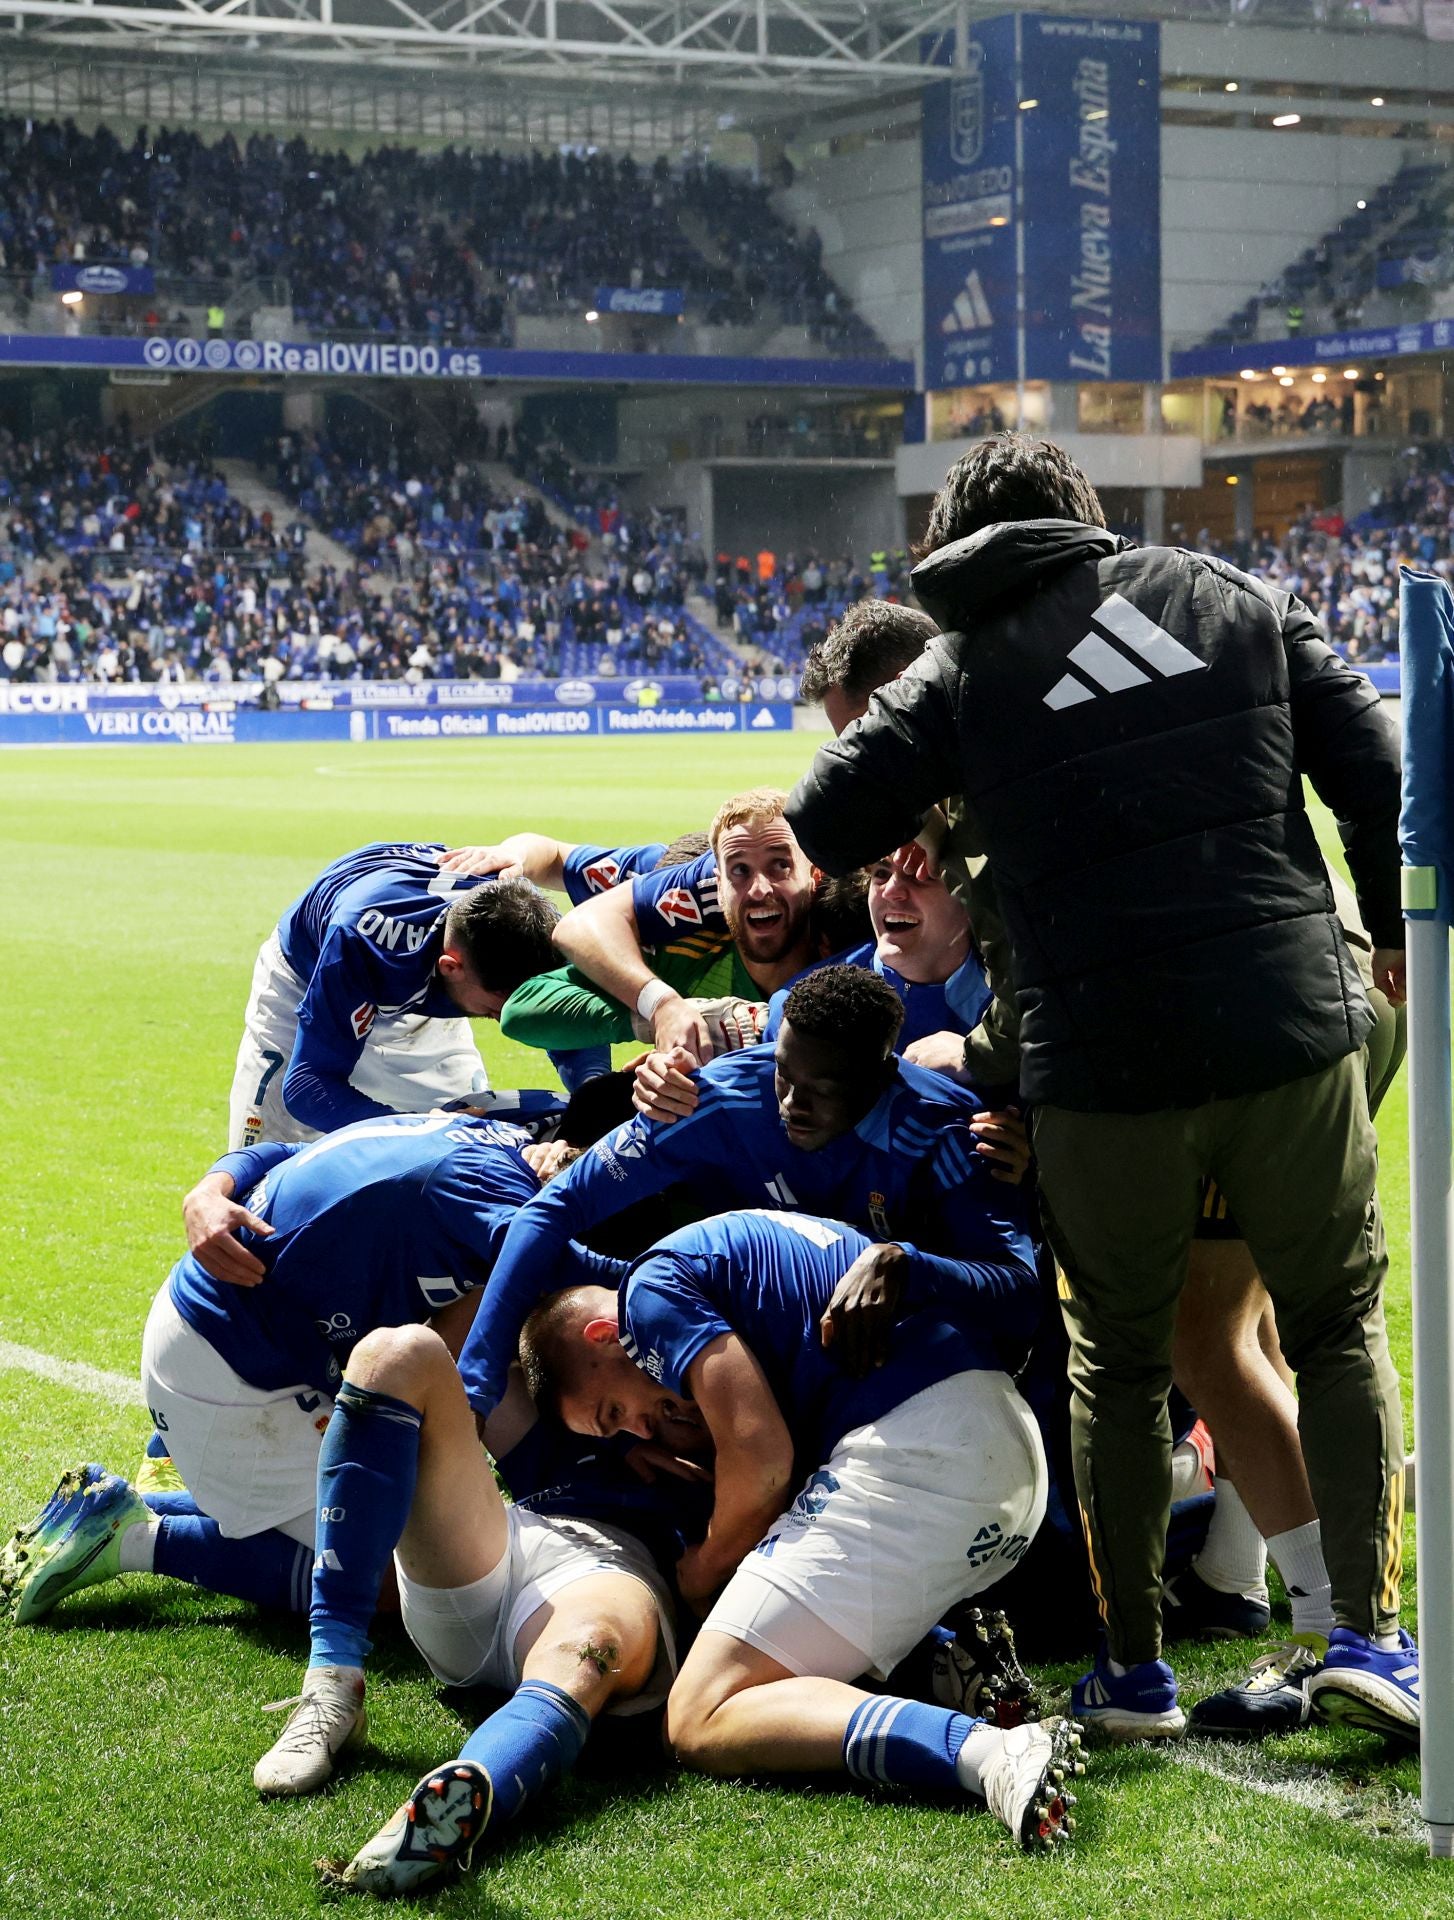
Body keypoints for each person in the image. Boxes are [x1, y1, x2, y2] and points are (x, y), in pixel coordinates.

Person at [783, 432, 1416, 1744]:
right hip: (1283, 1030)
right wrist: (1384, 920)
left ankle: (1134, 1673)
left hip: (1098, 1068)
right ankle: (1369, 1631)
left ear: (956, 551)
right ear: (1085, 516)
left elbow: (826, 816)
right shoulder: (1229, 596)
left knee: (1119, 1367)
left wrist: (956, 779)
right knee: (1332, 1327)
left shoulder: (960, 672)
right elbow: (1377, 761)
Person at [520, 1208, 1082, 1853]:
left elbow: (762, 1464)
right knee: (776, 1656)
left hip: (920, 1460)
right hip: (985, 1452)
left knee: (699, 1713)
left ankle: (985, 1753)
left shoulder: (651, 1293)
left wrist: (701, 1571)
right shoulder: (714, 1258)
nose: (638, 1428)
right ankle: (942, 1662)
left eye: (613, 1411)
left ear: (603, 1335)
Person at [0, 1111, 619, 1641]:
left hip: (247, 1340)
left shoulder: (499, 1142)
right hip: (230, 1376)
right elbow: (482, 1364)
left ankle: (118, 1503)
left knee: (449, 1414)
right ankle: (137, 1537)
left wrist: (213, 1185)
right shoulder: (505, 1218)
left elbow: (288, 1150)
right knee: (388, 1581)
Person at [456, 966, 1037, 1421]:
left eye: (823, 1088)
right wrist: (476, 1385)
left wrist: (909, 1267)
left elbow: (1021, 1297)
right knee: (520, 1237)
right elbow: (554, 1210)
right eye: (784, 1071)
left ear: (882, 1077)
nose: (790, 1102)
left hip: (896, 1360)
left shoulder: (945, 1133)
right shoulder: (723, 1095)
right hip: (751, 1319)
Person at [228, 841, 601, 1150]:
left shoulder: (531, 925)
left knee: (465, 1144)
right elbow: (308, 1084)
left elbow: (567, 1025)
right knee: (265, 1169)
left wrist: (593, 1095)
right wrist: (415, 1128)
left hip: (417, 992)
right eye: (495, 1009)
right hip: (309, 980)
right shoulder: (359, 940)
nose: (509, 1017)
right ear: (450, 966)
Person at [546, 788, 821, 1062]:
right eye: (739, 870)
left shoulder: (853, 936)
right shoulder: (684, 936)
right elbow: (526, 1003)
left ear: (815, 876)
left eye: (781, 866)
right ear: (718, 886)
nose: (759, 889)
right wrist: (662, 1010)